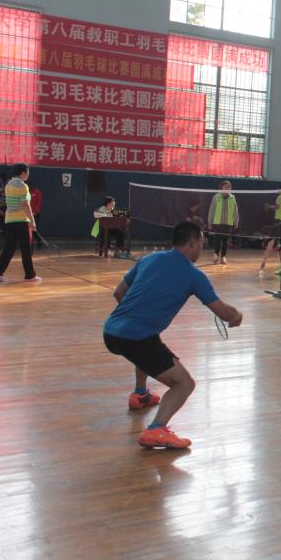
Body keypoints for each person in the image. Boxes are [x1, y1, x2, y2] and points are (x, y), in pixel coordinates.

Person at [104, 221, 243, 448]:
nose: (202, 248)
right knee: (184, 384)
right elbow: (222, 311)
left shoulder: (148, 259)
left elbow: (119, 292)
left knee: (148, 345)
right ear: (193, 242)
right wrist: (237, 316)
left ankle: (140, 394)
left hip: (111, 331)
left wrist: (135, 318)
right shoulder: (193, 275)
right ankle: (156, 430)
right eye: (201, 243)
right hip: (136, 338)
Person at [0, 162, 39, 283]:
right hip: (21, 221)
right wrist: (32, 221)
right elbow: (25, 205)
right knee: (26, 249)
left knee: (9, 248)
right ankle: (30, 276)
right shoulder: (23, 186)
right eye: (27, 172)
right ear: (23, 173)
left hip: (9, 220)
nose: (28, 174)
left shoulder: (8, 185)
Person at [208, 181, 239, 264]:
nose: (227, 189)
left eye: (229, 187)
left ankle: (223, 257)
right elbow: (212, 210)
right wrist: (210, 221)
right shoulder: (216, 197)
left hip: (228, 223)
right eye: (225, 187)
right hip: (217, 223)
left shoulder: (232, 198)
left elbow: (235, 210)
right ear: (222, 187)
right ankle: (216, 255)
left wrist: (236, 221)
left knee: (225, 241)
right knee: (217, 240)